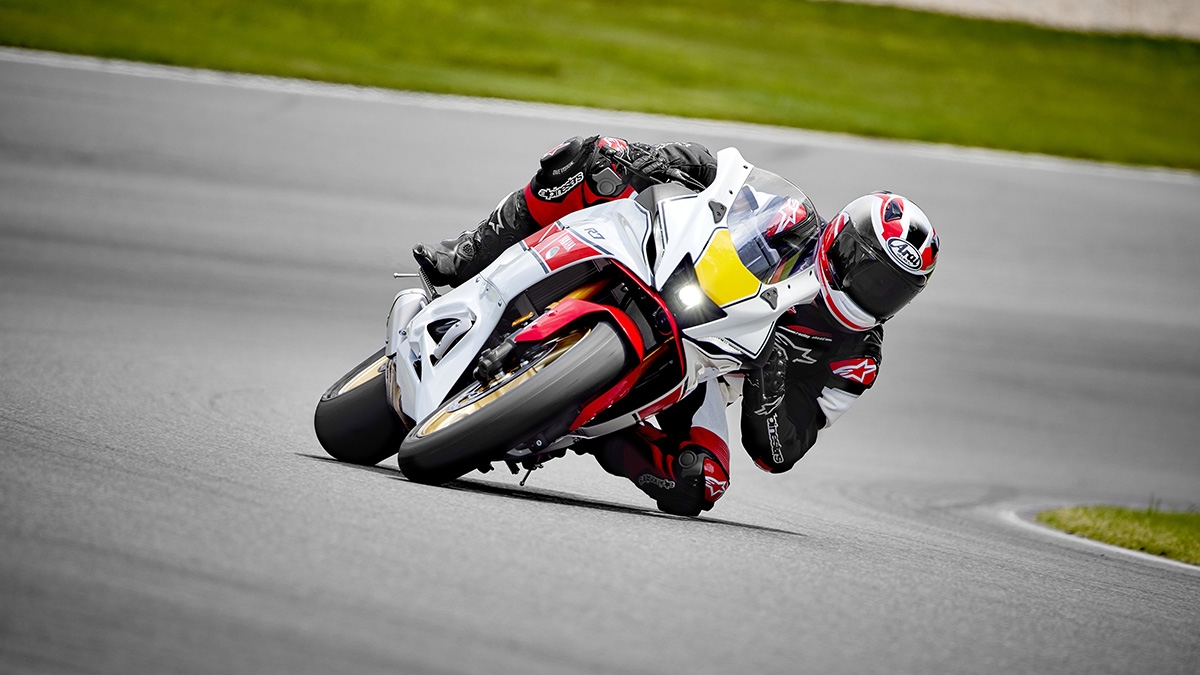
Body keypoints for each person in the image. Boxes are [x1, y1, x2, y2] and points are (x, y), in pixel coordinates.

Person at [414, 135, 939, 516]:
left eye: (889, 288)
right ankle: (468, 257)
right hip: (672, 274)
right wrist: (659, 159)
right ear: (841, 240)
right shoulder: (791, 222)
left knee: (701, 483)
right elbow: (720, 173)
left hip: (704, 371)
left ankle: (587, 425)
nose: (870, 292)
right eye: (869, 271)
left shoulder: (855, 358)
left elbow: (779, 453)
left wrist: (770, 389)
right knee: (590, 158)